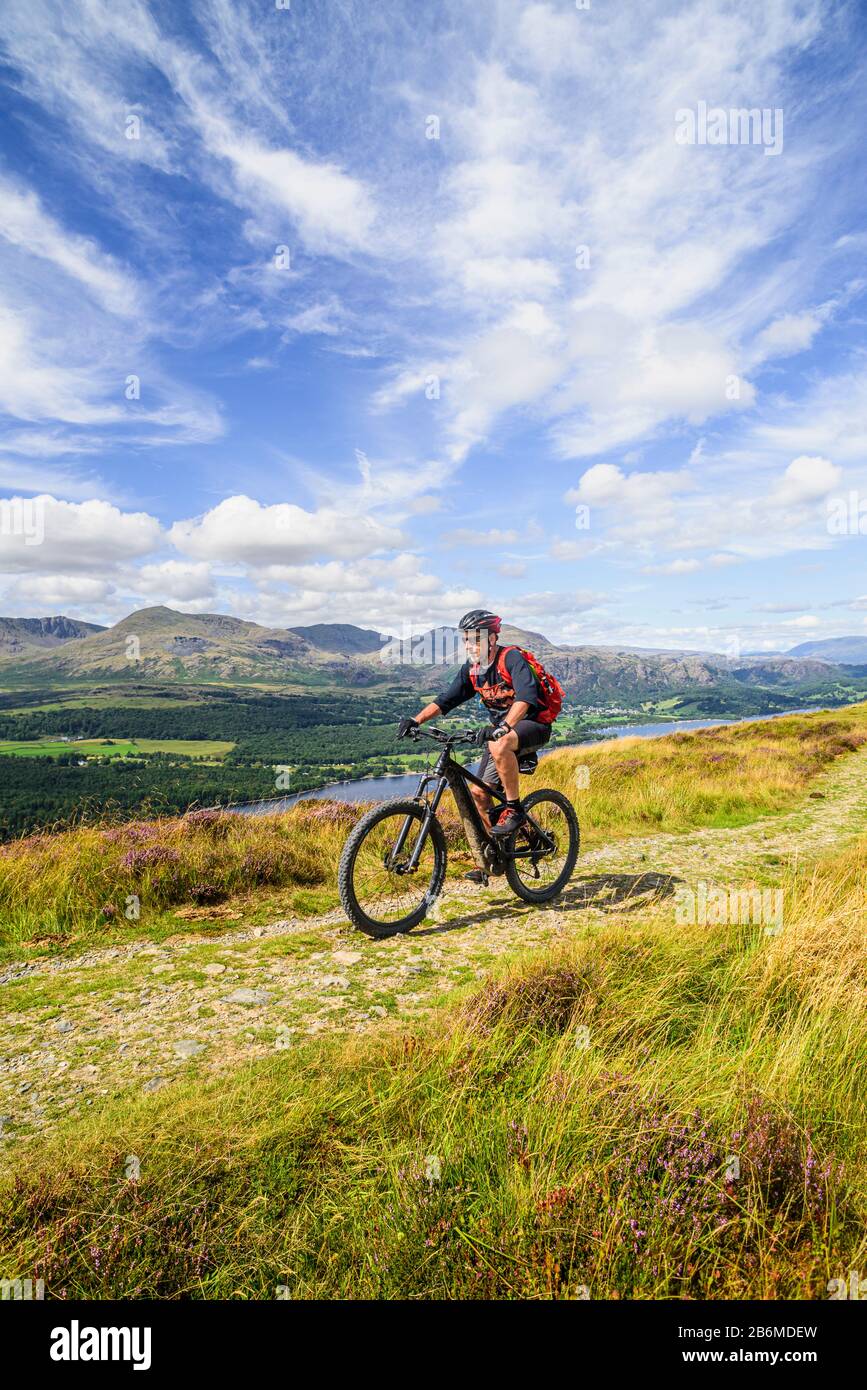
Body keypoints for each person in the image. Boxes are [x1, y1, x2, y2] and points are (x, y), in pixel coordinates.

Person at [397, 609, 561, 846]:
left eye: (476, 639)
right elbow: (447, 700)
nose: (469, 646)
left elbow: (526, 698)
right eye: (466, 640)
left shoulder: (511, 659)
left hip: (533, 725)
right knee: (480, 793)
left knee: (499, 743)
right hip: (500, 734)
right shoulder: (472, 670)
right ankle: (495, 852)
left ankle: (514, 809)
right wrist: (415, 720)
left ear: (492, 638)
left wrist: (504, 727)